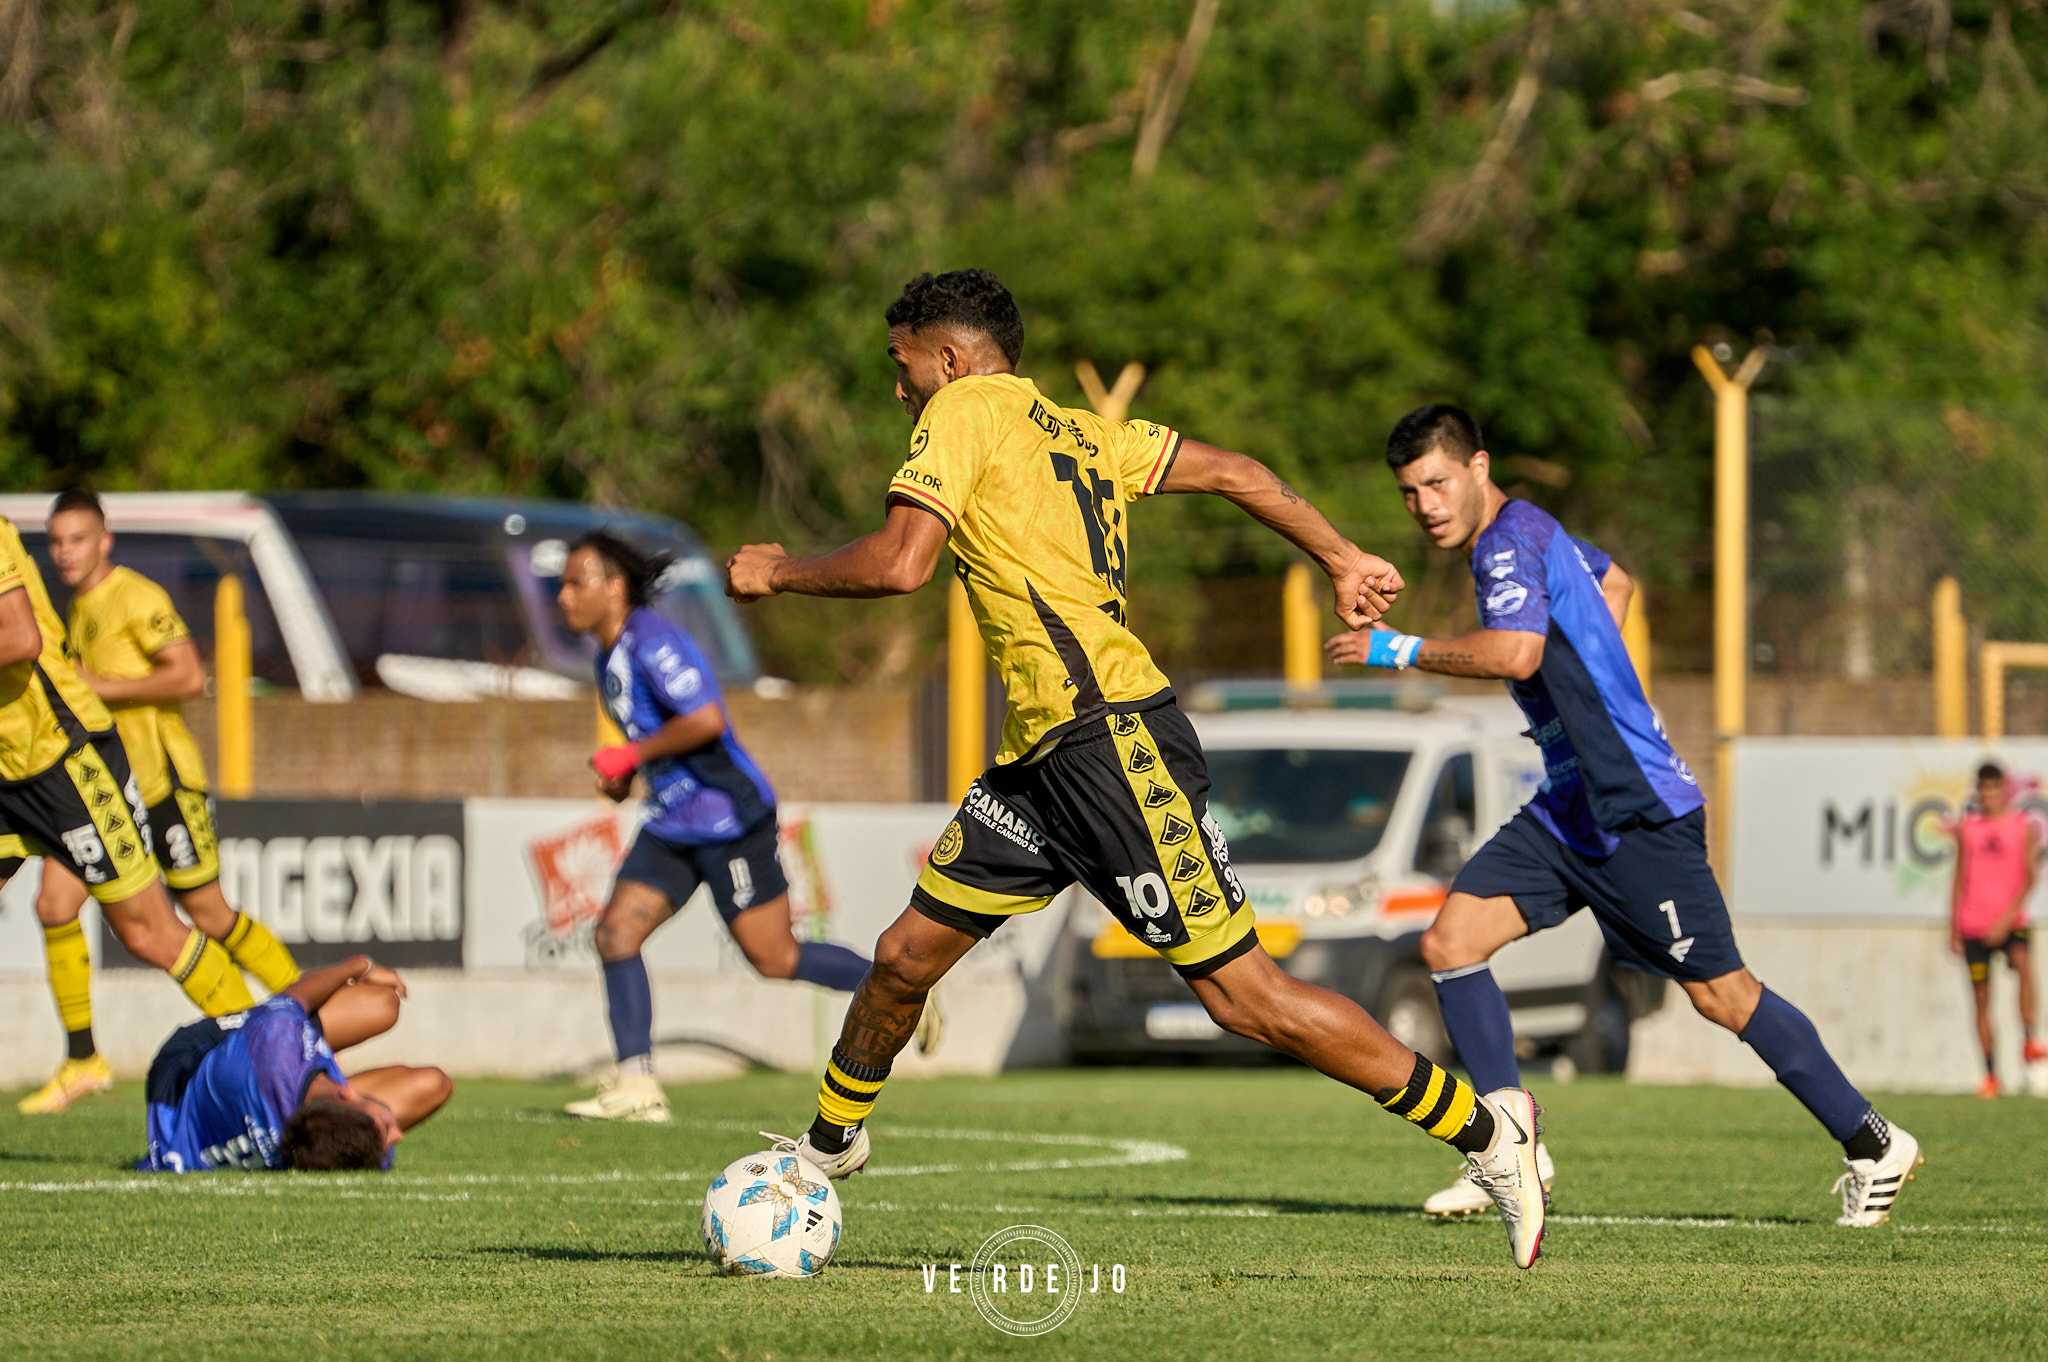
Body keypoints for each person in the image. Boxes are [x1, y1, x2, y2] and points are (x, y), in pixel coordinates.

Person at [726, 269, 1551, 1269]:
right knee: (904, 955)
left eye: (899, 365)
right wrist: (1335, 556)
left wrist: (777, 572)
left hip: (1110, 743)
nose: (897, 388)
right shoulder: (1078, 431)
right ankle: (824, 1148)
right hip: (1041, 760)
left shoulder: (962, 411)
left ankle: (1488, 1135)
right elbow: (1238, 471)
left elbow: (901, 564)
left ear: (947, 356)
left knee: (1245, 1000)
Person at [1328, 403, 1924, 1228]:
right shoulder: (1531, 530)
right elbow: (1616, 584)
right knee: (1451, 943)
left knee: (1725, 997)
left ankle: (1872, 1143)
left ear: (1477, 467)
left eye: (1436, 482)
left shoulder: (1507, 541)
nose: (1425, 503)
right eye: (1408, 492)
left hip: (1638, 810)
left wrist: (1396, 648)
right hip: (1573, 804)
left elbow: (1518, 653)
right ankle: (1512, 1146)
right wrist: (1592, 678)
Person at [555, 531, 897, 1123]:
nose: (562, 597)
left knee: (774, 958)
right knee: (615, 936)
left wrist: (631, 758)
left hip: (727, 818)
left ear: (613, 587)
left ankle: (897, 988)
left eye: (573, 583)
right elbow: (658, 743)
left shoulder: (653, 640)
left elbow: (707, 719)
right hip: (671, 823)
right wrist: (625, 778)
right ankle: (638, 1087)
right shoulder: (607, 657)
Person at [18, 489, 302, 1117]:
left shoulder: (137, 596)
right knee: (53, 901)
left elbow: (188, 675)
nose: (64, 552)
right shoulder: (73, 610)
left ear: (104, 540)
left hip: (160, 782)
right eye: (56, 541)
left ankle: (306, 1017)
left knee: (208, 914)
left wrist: (102, 687)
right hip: (97, 792)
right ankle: (82, 1056)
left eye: (77, 539)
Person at [141, 953, 451, 1172]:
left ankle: (244, 1045)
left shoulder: (277, 1043)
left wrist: (360, 965)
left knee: (380, 1004)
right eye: (387, 1129)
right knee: (435, 1084)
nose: (399, 1134)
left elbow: (295, 995)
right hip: (249, 1091)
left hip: (183, 1071)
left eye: (387, 1127)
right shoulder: (321, 1148)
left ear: (346, 1096)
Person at [1949, 761, 2043, 1097]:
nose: (1989, 795)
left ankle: (2030, 1038)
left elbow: (2030, 877)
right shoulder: (1967, 828)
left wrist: (2005, 920)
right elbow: (1958, 878)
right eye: (1984, 789)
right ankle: (1990, 1075)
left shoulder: (2023, 826)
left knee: (2023, 964)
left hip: (2011, 921)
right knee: (1981, 1000)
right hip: (1973, 924)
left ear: (2005, 790)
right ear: (1979, 791)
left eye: (1994, 788)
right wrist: (1954, 927)